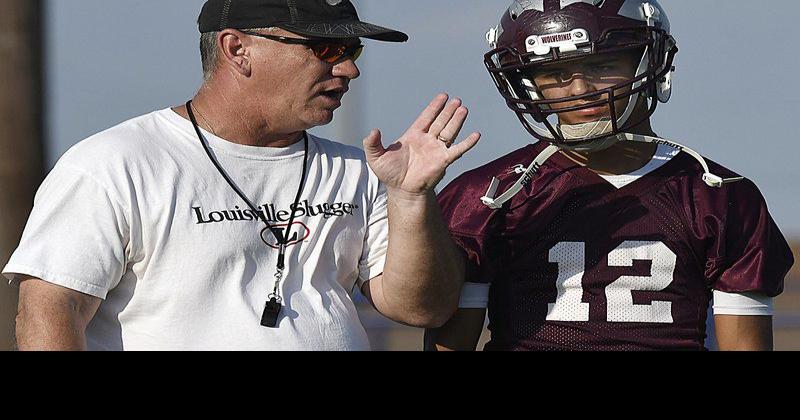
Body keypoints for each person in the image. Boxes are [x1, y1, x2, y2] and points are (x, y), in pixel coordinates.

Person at [4, 0, 480, 351]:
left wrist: (412, 197)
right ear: (238, 49)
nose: (350, 67)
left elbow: (422, 309)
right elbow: (50, 310)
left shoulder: (361, 169)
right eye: (327, 47)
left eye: (352, 48)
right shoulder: (115, 163)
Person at [426, 0, 793, 351]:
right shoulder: (490, 195)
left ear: (650, 60)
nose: (579, 90)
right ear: (528, 82)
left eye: (601, 66)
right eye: (555, 73)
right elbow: (450, 344)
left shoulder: (717, 196)